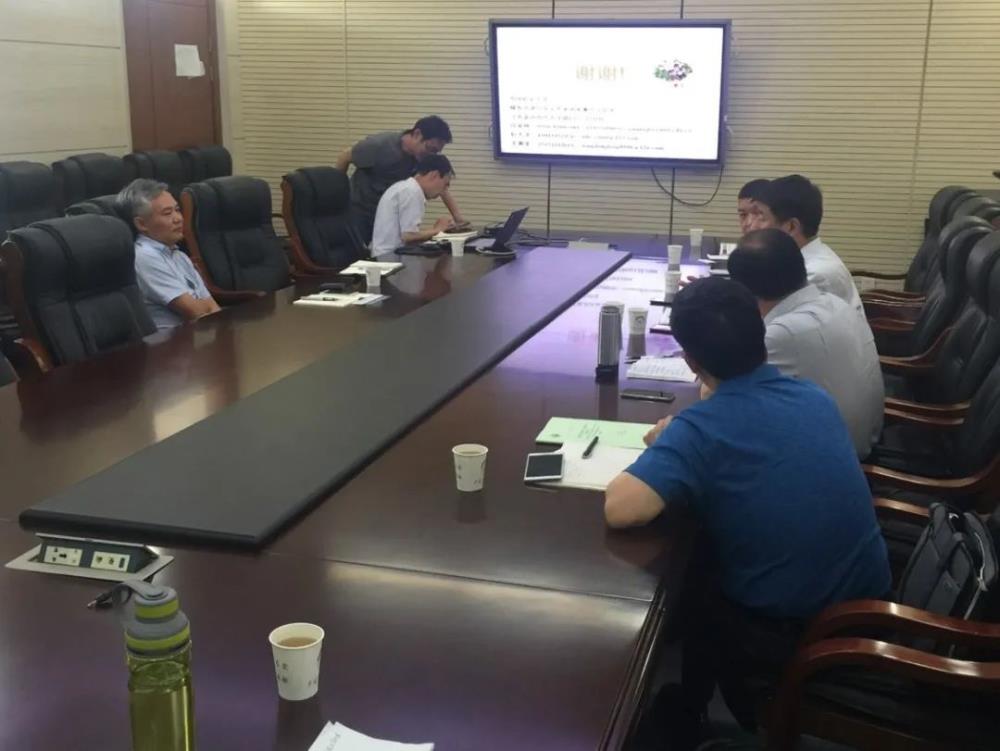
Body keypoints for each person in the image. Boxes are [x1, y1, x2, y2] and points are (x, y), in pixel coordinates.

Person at [605, 277, 890, 748]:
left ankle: (685, 717)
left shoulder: (701, 431)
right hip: (863, 605)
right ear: (761, 329)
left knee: (691, 578)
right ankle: (690, 706)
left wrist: (666, 442)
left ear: (691, 362)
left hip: (798, 636)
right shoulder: (812, 396)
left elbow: (622, 508)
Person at [728, 228, 884, 457]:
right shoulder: (833, 303)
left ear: (744, 291)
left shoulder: (784, 333)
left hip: (834, 461)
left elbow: (725, 396)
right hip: (863, 438)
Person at [336, 116, 465, 244]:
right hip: (360, 209)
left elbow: (440, 184)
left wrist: (458, 218)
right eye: (430, 149)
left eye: (436, 152)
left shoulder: (420, 156)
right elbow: (344, 157)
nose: (431, 155)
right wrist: (337, 198)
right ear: (417, 134)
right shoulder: (379, 145)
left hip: (384, 214)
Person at [748, 174, 863, 315]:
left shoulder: (815, 275)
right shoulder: (797, 260)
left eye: (761, 217)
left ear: (791, 227)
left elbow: (778, 324)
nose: (753, 226)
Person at [117, 179, 220, 329]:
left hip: (199, 334)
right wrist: (205, 307)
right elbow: (195, 312)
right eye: (167, 213)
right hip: (171, 341)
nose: (178, 219)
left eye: (177, 210)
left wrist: (207, 309)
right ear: (142, 224)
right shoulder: (144, 257)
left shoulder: (179, 255)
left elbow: (213, 308)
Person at [370, 155, 457, 255]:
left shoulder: (407, 187)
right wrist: (438, 230)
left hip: (391, 254)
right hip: (389, 257)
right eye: (445, 184)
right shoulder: (412, 192)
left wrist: (437, 230)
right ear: (434, 175)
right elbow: (408, 237)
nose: (443, 191)